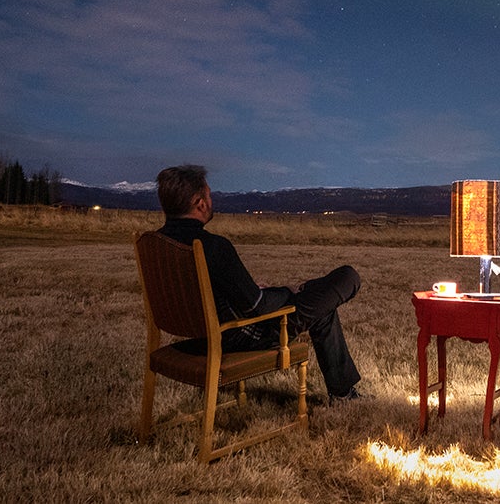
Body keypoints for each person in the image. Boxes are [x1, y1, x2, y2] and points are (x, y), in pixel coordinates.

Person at [155, 164, 365, 401]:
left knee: (321, 305)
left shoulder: (155, 243)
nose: (211, 201)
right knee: (347, 277)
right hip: (243, 334)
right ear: (200, 203)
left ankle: (342, 391)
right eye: (209, 195)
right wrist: (286, 291)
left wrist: (251, 291)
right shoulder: (213, 247)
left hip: (205, 335)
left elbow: (213, 292)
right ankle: (343, 393)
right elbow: (258, 307)